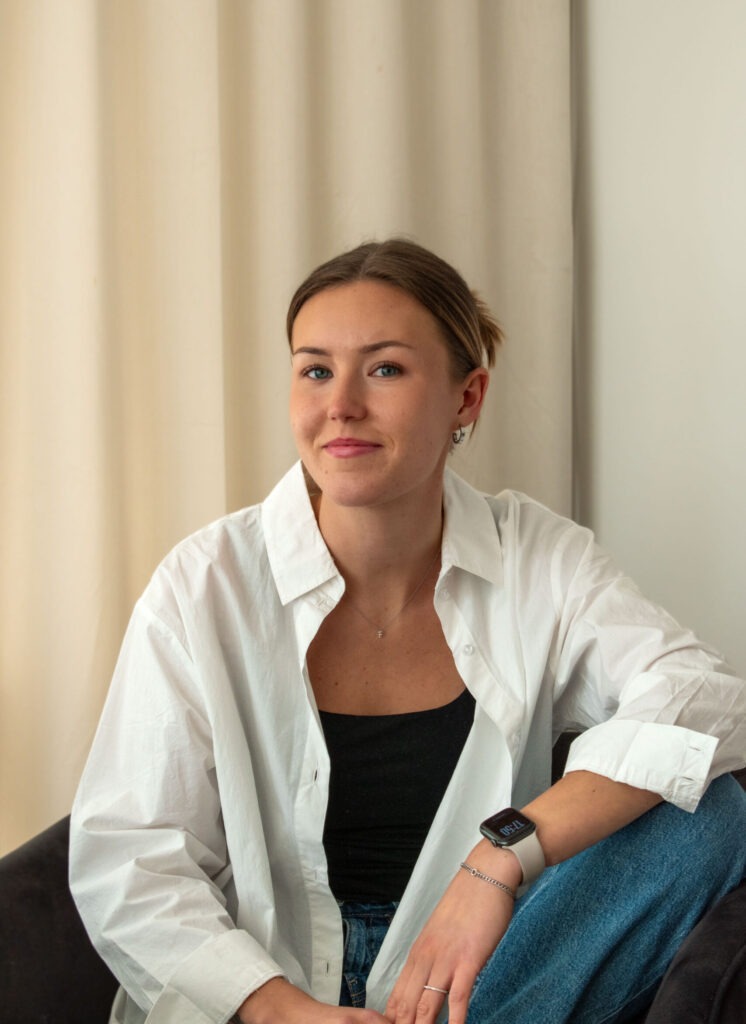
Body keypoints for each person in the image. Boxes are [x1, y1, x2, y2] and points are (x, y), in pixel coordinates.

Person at [70, 238, 746, 1024]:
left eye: (385, 368)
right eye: (315, 370)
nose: (341, 405)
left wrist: (502, 854)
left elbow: (701, 698)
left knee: (711, 817)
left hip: (479, 978)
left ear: (467, 397)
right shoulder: (204, 583)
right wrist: (280, 1009)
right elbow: (130, 857)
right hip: (267, 985)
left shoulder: (538, 559)